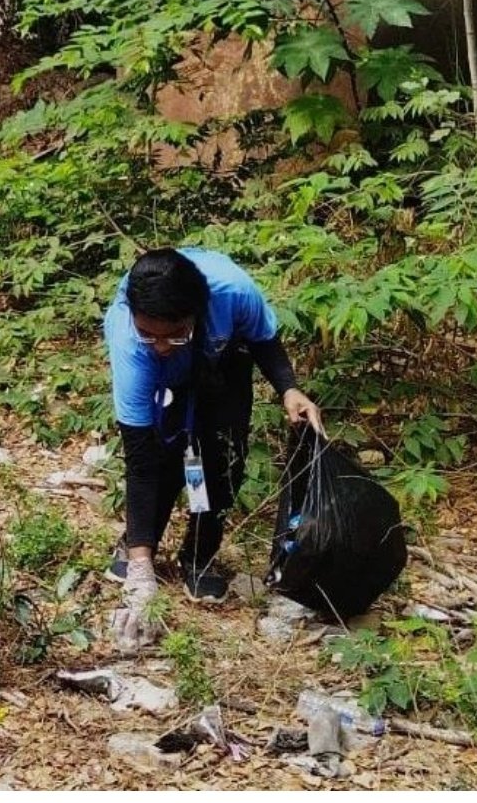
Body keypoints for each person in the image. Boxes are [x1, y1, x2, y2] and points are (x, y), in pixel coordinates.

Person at [104, 247, 323, 653]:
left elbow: (263, 339)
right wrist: (139, 572)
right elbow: (139, 458)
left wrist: (289, 388)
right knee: (161, 454)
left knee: (224, 459)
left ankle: (199, 555)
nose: (163, 345)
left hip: (222, 359)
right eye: (151, 333)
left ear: (198, 311)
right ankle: (138, 549)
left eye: (174, 335)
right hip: (163, 379)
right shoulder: (131, 342)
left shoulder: (234, 293)